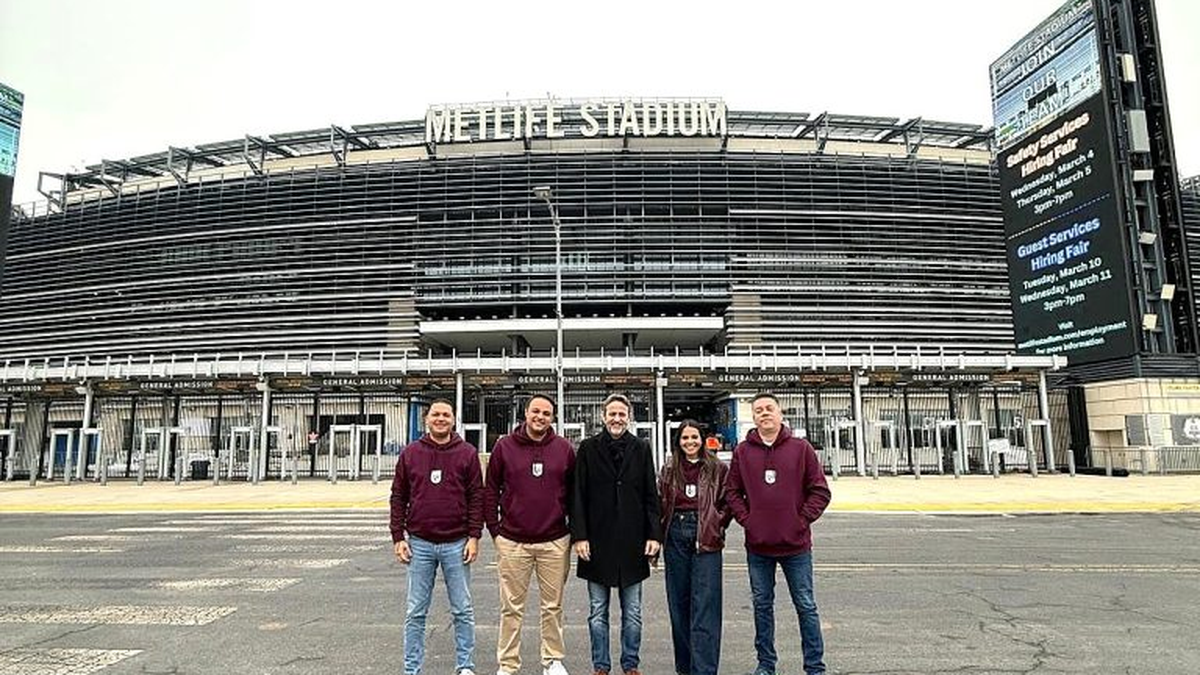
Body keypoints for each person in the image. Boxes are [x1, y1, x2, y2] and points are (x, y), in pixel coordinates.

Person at [726, 393, 832, 675]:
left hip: (796, 546)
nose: (764, 414)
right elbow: (732, 492)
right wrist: (748, 520)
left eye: (769, 408)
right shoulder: (742, 452)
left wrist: (801, 520)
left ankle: (814, 667)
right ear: (753, 417)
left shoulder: (801, 449)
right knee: (762, 607)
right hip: (758, 547)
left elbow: (820, 491)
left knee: (806, 606)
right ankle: (765, 665)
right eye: (758, 410)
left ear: (780, 413)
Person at [570, 393, 662, 675]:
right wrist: (580, 536)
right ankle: (601, 665)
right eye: (612, 413)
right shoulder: (587, 448)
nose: (617, 419)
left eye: (622, 414)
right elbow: (578, 495)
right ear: (603, 416)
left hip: (634, 542)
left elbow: (651, 494)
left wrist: (654, 535)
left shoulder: (642, 448)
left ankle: (630, 663)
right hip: (596, 542)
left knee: (632, 612)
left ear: (629, 417)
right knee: (598, 611)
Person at [390, 398, 484, 675]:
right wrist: (398, 536)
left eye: (446, 415)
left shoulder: (467, 453)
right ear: (427, 419)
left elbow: (476, 496)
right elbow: (398, 496)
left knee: (462, 610)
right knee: (415, 612)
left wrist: (474, 536)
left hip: (457, 543)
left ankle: (465, 667)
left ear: (454, 420)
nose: (440, 419)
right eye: (435, 415)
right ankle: (412, 669)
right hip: (419, 543)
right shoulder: (410, 453)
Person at [484, 394, 576, 675]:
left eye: (546, 413)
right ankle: (508, 664)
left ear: (553, 418)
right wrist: (495, 530)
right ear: (526, 413)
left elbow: (575, 493)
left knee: (553, 606)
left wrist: (571, 532)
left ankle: (552, 660)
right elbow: (491, 490)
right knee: (511, 608)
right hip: (513, 542)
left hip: (554, 540)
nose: (540, 417)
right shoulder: (504, 447)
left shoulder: (564, 449)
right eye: (535, 411)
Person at [657, 419, 730, 675]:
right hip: (675, 535)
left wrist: (716, 524)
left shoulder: (718, 468)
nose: (690, 442)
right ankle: (685, 668)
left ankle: (705, 669)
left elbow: (728, 500)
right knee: (679, 604)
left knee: (706, 606)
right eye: (684, 438)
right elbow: (660, 502)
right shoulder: (668, 469)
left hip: (705, 536)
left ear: (703, 439)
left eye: (694, 437)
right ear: (678, 441)